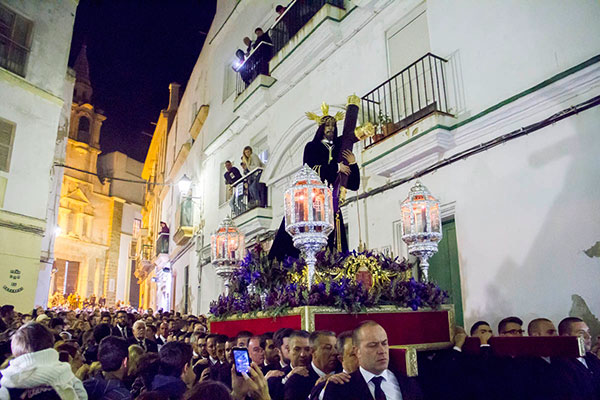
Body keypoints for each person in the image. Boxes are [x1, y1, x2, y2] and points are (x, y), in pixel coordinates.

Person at [269, 97, 361, 260]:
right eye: (327, 126)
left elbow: (354, 185)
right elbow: (310, 171)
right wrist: (336, 167)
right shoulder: (312, 147)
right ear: (320, 128)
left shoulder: (340, 150)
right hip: (311, 201)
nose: (331, 129)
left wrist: (353, 164)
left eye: (333, 126)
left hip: (331, 205)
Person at [323, 321, 422, 400]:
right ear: (357, 351)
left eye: (384, 343)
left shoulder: (409, 384)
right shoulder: (339, 388)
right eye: (373, 345)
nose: (381, 351)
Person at [0, 322, 87, 399]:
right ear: (51, 343)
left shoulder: (9, 379)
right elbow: (82, 396)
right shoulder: (65, 374)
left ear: (15, 349)